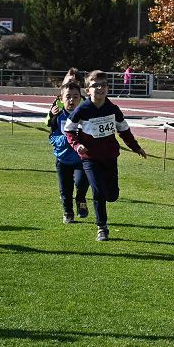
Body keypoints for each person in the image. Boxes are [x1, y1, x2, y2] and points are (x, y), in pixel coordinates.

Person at [64, 70, 147, 242]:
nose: (100, 88)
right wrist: (77, 145)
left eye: (103, 85)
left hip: (110, 157)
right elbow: (69, 130)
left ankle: (101, 201)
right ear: (88, 90)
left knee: (112, 195)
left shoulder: (113, 109)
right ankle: (102, 228)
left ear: (108, 88)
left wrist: (135, 147)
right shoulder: (82, 109)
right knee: (98, 192)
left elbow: (124, 130)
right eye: (95, 85)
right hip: (90, 158)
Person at [48, 82, 90, 223]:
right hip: (63, 159)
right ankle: (68, 213)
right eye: (68, 97)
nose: (71, 100)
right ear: (61, 99)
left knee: (82, 184)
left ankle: (81, 199)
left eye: (75, 97)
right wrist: (67, 138)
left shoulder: (85, 117)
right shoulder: (57, 118)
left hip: (81, 159)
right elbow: (52, 138)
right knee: (65, 190)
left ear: (80, 99)